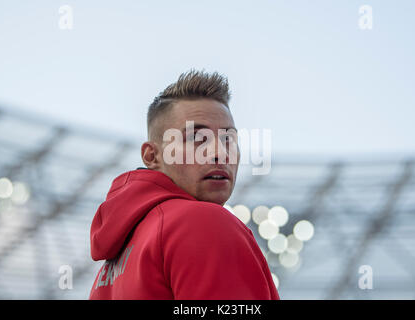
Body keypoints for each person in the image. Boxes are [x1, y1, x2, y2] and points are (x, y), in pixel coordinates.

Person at [89, 70, 280, 300]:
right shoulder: (202, 222)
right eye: (197, 139)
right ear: (152, 156)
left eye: (228, 139)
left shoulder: (113, 262)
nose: (219, 153)